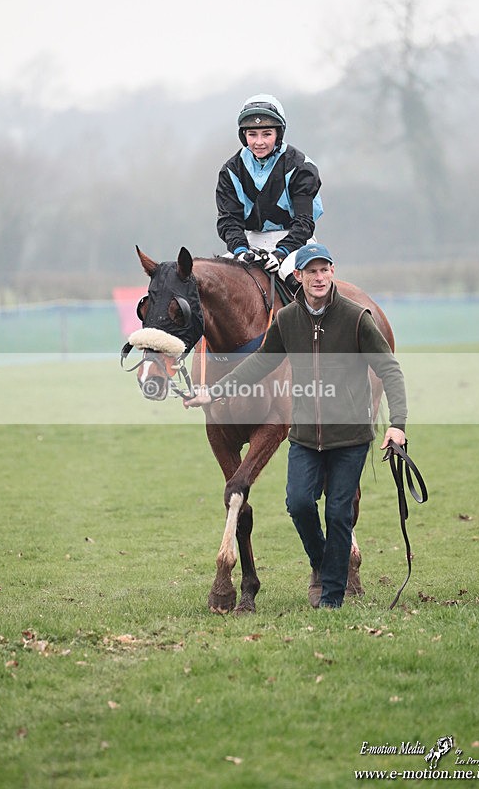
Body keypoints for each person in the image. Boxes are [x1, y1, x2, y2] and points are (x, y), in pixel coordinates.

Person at [184, 243, 407, 610]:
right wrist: (214, 392)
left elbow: (389, 370)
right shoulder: (287, 320)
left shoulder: (356, 317)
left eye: (324, 270)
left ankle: (330, 594)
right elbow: (259, 363)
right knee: (299, 505)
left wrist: (397, 424)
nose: (319, 278)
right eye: (311, 272)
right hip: (304, 437)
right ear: (299, 276)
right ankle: (323, 563)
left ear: (332, 272)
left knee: (338, 513)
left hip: (347, 436)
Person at [216, 94, 323, 294]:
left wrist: (282, 252)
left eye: (267, 134)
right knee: (213, 282)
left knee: (295, 278)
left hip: (295, 243)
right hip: (250, 243)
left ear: (278, 134)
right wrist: (240, 250)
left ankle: (312, 314)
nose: (259, 142)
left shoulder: (301, 167)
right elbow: (228, 220)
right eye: (252, 134)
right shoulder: (230, 170)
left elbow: (304, 222)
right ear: (244, 135)